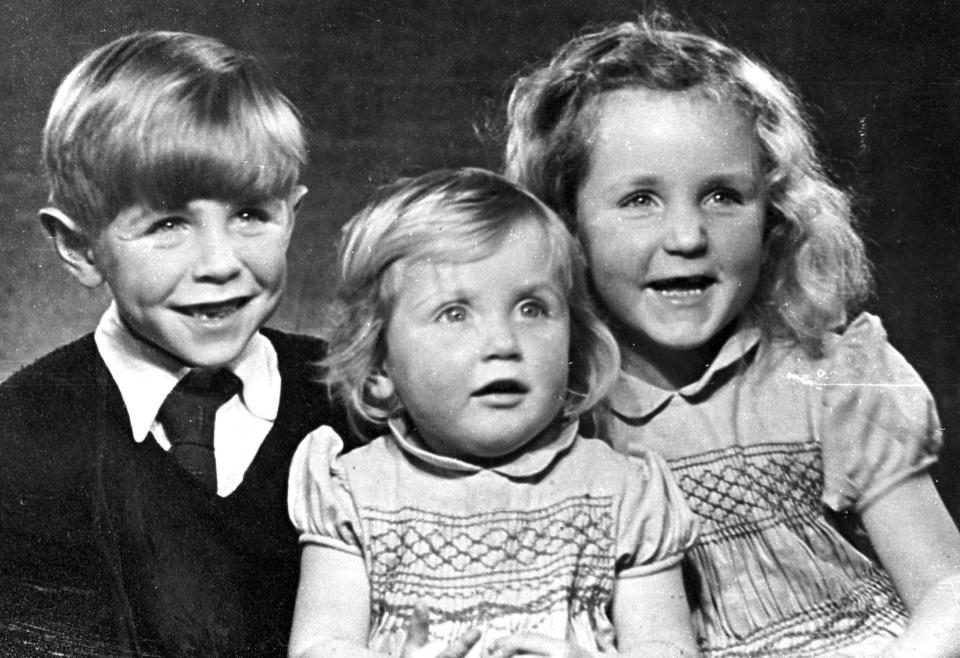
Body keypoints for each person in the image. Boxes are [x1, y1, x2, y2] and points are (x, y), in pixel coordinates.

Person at [503, 16, 960, 657]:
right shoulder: (561, 417)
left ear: (773, 214)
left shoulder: (832, 376)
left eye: (722, 195)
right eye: (639, 200)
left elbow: (947, 591)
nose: (686, 237)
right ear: (566, 225)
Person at [0, 31, 356, 656]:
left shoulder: (356, 399)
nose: (220, 263)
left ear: (292, 214)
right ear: (79, 248)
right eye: (167, 224)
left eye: (251, 214)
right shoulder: (20, 436)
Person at [286, 168, 699, 657]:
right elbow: (319, 646)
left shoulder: (623, 491)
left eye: (531, 309)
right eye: (455, 313)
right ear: (380, 366)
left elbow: (668, 647)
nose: (504, 344)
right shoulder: (353, 493)